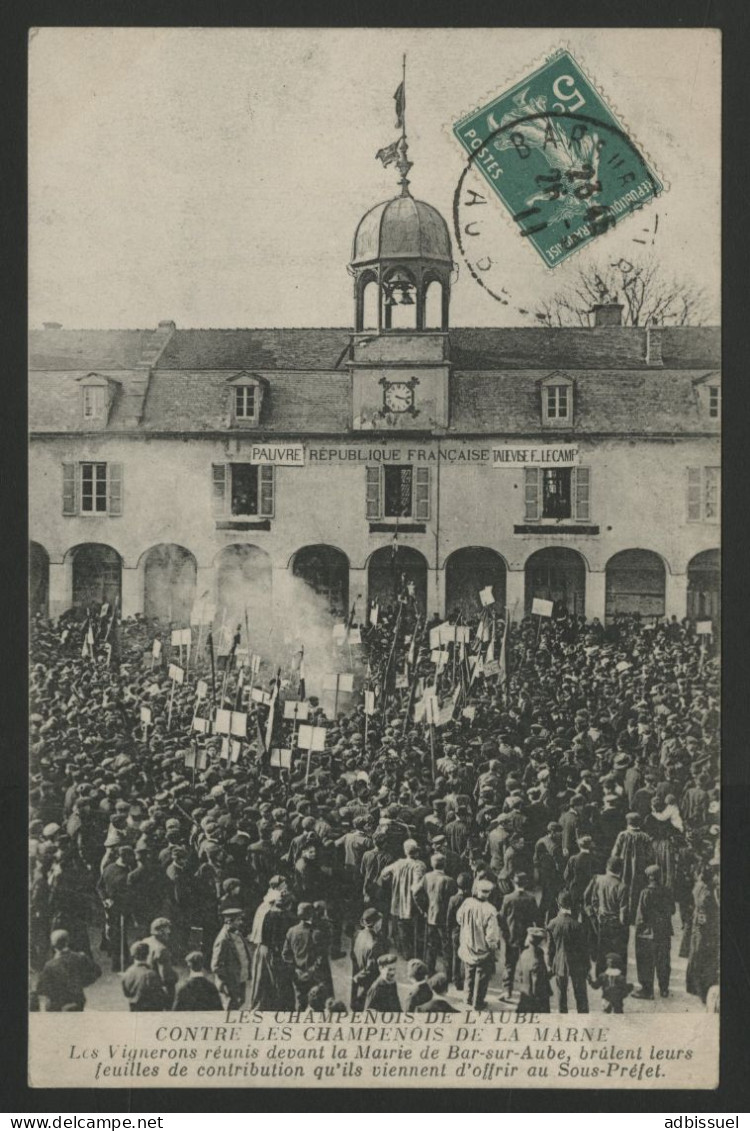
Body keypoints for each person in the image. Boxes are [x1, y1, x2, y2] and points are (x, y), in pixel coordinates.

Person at [456, 877, 501, 1010]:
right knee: (481, 977)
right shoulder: (490, 910)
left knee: (469, 973)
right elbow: (491, 936)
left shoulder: (467, 903)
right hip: (483, 949)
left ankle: (467, 998)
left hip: (467, 945)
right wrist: (494, 948)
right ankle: (478, 1002)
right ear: (489, 893)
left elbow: (459, 918)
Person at [379, 840, 427, 961]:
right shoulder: (419, 865)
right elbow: (416, 886)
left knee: (402, 929)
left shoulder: (398, 863)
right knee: (416, 931)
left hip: (398, 901)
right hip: (412, 903)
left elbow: (384, 873)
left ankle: (406, 954)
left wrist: (391, 881)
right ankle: (416, 956)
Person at [584, 857, 629, 977]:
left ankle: (600, 975)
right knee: (619, 953)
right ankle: (619, 978)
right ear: (620, 870)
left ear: (607, 867)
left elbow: (593, 901)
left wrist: (598, 914)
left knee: (602, 951)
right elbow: (623, 912)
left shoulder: (599, 880)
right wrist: (623, 925)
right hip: (616, 924)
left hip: (602, 922)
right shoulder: (622, 886)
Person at [36, 929, 101, 1012]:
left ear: (53, 945)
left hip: (57, 1003)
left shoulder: (49, 965)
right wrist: (82, 983)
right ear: (67, 942)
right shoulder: (80, 957)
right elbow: (97, 971)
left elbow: (41, 988)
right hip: (77, 999)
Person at [633, 864, 673, 1000]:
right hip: (664, 932)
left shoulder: (645, 892)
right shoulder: (667, 891)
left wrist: (638, 930)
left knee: (645, 961)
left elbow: (641, 915)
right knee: (663, 961)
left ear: (649, 878)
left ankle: (647, 990)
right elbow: (672, 910)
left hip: (648, 933)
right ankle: (664, 989)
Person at [498, 871, 539, 999]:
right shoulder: (531, 899)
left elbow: (501, 918)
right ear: (526, 884)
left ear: (513, 883)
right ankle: (526, 991)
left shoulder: (508, 898)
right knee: (526, 964)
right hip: (526, 937)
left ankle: (507, 990)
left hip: (511, 937)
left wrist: (505, 934)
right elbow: (535, 919)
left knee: (509, 964)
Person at [282, 902, 330, 1010]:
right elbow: (321, 955)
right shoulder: (316, 932)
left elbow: (286, 954)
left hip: (298, 975)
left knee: (300, 1003)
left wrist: (295, 969)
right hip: (314, 975)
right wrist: (312, 970)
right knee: (317, 1003)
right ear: (311, 914)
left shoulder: (291, 931)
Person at [547, 891, 589, 1013]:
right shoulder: (578, 925)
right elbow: (584, 950)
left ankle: (563, 1017)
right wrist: (587, 967)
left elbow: (550, 949)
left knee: (561, 994)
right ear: (571, 905)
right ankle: (583, 1017)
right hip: (577, 963)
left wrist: (551, 965)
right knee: (580, 993)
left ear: (558, 905)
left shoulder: (552, 923)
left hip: (559, 962)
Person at [686, 867, 719, 1004]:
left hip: (695, 926)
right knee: (701, 956)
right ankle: (699, 987)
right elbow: (704, 914)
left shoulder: (698, 886)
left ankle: (691, 985)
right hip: (703, 929)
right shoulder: (707, 894)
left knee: (694, 954)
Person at [211, 907, 253, 1010]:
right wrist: (223, 983)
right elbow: (216, 965)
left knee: (240, 1001)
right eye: (238, 920)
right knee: (231, 1006)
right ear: (229, 921)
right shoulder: (223, 940)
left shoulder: (237, 933)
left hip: (240, 978)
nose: (241, 922)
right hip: (230, 981)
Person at [350, 907, 387, 1011]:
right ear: (375, 923)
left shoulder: (357, 934)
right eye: (379, 921)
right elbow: (371, 968)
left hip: (359, 968)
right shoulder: (375, 944)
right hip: (369, 981)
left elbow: (352, 955)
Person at [121, 941, 168, 1011]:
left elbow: (126, 993)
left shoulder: (127, 973)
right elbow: (161, 997)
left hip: (134, 1008)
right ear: (147, 955)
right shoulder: (151, 974)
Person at [142, 917, 178, 1007]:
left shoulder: (145, 941)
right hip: (157, 989)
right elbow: (166, 977)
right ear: (160, 931)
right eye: (167, 929)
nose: (169, 932)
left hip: (144, 985)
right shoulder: (162, 949)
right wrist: (175, 976)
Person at [515, 927, 552, 1014]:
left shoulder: (524, 953)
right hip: (536, 999)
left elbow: (519, 974)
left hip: (524, 994)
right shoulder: (537, 959)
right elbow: (537, 982)